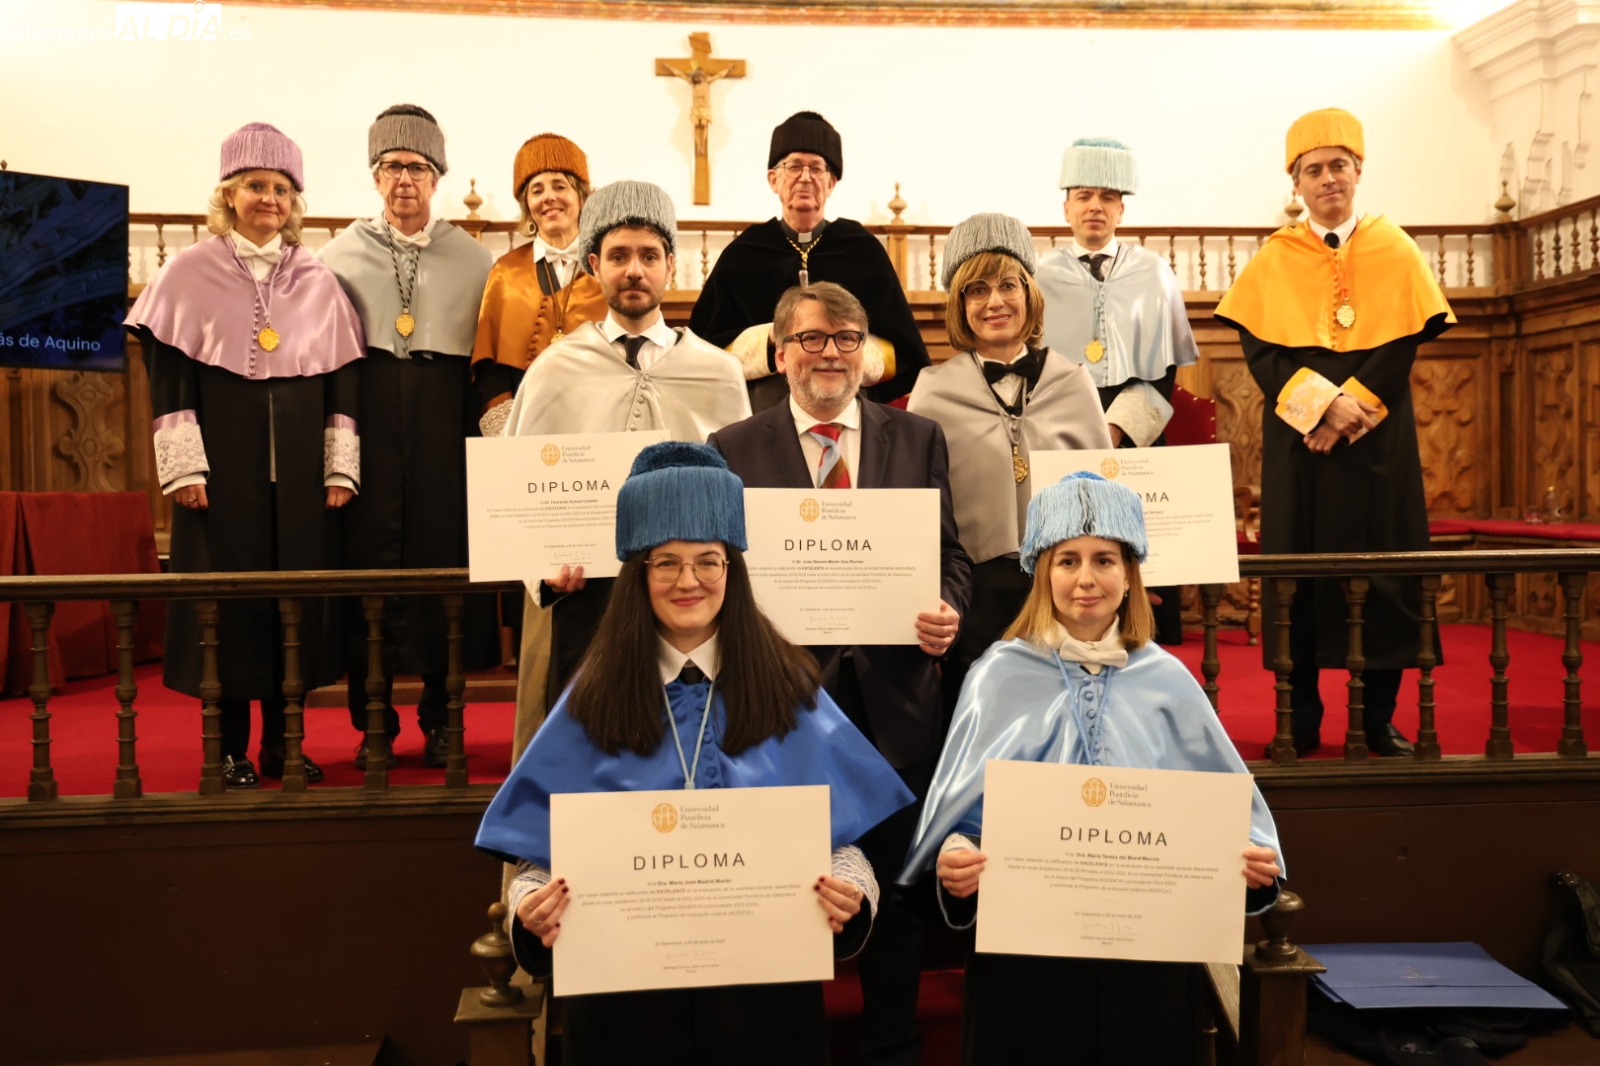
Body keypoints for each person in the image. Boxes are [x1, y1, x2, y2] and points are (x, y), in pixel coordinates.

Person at [475, 441, 915, 1064]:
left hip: (765, 1011)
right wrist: (532, 906)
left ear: (733, 569)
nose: (688, 582)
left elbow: (845, 841)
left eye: (708, 560)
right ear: (638, 574)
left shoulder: (789, 688)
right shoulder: (591, 699)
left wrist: (850, 888)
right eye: (665, 563)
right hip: (626, 1014)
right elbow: (535, 860)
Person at [899, 471, 1285, 1065]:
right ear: (1041, 573)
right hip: (1026, 963)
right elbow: (961, 816)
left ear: (1130, 573)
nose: (1085, 579)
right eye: (1067, 560)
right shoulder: (997, 677)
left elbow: (1225, 810)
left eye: (1104, 559)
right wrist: (955, 859)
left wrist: (1251, 860)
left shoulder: (1167, 682)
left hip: (1148, 958)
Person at [708, 281, 972, 1066]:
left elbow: (949, 554)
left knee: (891, 899)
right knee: (786, 886)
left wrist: (947, 611)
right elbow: (724, 573)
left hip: (894, 701)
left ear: (868, 352)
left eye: (848, 339)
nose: (832, 353)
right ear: (780, 352)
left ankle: (889, 1047)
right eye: (815, 339)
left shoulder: (918, 437)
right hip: (782, 707)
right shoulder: (734, 446)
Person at [126, 122, 365, 788]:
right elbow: (170, 377)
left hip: (298, 486)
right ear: (228, 195)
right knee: (226, 613)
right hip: (219, 480)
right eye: (256, 185)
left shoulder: (319, 280)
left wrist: (339, 462)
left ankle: (285, 745)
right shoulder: (186, 272)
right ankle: (228, 749)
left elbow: (343, 379)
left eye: (282, 188)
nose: (269, 198)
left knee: (293, 611)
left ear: (295, 201)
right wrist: (183, 466)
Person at [1215, 108, 1454, 758]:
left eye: (1338, 167)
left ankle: (1378, 719)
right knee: (1301, 583)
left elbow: (1403, 340)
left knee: (1386, 575)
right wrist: (1319, 408)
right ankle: (1303, 719)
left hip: (1379, 441)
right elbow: (1263, 353)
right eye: (1313, 169)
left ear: (1358, 172)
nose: (1327, 179)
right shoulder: (1275, 257)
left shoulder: (1394, 246)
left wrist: (1356, 404)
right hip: (1302, 449)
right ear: (1296, 183)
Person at [502, 179, 750, 727]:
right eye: (618, 255)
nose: (634, 270)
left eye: (648, 255)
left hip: (693, 595)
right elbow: (517, 498)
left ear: (671, 267)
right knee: (593, 740)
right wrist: (544, 569)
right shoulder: (554, 369)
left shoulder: (718, 372)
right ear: (594, 264)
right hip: (590, 597)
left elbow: (744, 494)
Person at [321, 103, 498, 771]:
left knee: (441, 565)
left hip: (442, 431)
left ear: (437, 177)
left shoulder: (475, 260)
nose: (405, 180)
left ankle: (441, 715)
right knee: (367, 570)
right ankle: (373, 721)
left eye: (418, 168)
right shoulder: (335, 257)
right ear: (374, 176)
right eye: (392, 166)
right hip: (368, 423)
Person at [908, 212, 1111, 722]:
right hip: (973, 593)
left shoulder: (1073, 382)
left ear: (1030, 293)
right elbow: (915, 508)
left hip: (1063, 586)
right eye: (976, 290)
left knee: (1064, 719)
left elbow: (1106, 499)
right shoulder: (935, 389)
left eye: (1007, 285)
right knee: (983, 719)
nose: (994, 301)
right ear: (959, 304)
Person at [1036, 136, 1199, 646]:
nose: (1094, 207)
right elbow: (1036, 368)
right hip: (1066, 434)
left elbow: (1166, 370)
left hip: (1138, 435)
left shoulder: (1152, 272)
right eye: (1083, 195)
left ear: (1122, 208)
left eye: (1107, 197)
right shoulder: (1039, 277)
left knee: (1141, 562)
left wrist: (1114, 428)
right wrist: (1084, 427)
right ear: (1065, 206)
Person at [689, 111, 929, 411]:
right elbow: (704, 351)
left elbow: (903, 354)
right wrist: (772, 338)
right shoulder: (744, 254)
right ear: (773, 179)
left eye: (816, 168)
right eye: (794, 166)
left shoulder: (862, 250)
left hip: (848, 404)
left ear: (831, 183)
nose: (805, 177)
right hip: (763, 411)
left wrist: (837, 346)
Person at [471, 133, 607, 438]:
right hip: (524, 425)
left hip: (598, 421)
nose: (549, 197)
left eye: (560, 186)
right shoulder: (506, 273)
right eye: (537, 190)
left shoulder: (608, 268)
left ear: (582, 195)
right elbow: (491, 372)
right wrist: (508, 437)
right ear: (527, 204)